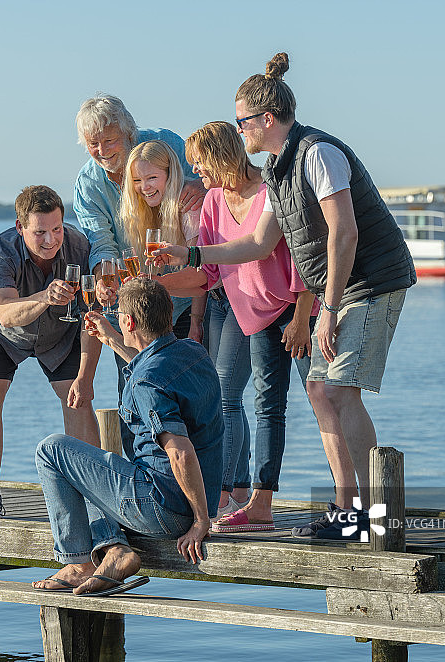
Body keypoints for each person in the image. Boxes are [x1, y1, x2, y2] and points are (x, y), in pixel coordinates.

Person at [156, 53, 415, 540]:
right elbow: (256, 243)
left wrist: (327, 309)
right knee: (320, 390)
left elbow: (344, 235)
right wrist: (188, 252)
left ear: (265, 120)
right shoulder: (276, 167)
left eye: (242, 122)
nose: (240, 131)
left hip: (372, 282)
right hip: (338, 289)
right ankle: (346, 510)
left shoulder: (319, 154)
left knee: (339, 389)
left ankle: (376, 515)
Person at [153, 121, 317, 532]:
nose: (197, 174)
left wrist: (301, 317)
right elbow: (205, 275)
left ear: (220, 157)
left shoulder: (270, 188)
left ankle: (354, 507)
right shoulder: (211, 201)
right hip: (256, 316)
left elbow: (300, 256)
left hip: (296, 310)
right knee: (266, 405)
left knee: (324, 403)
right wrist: (150, 285)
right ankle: (259, 505)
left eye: (201, 165)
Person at [31, 279, 222, 596]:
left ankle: (79, 564)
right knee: (91, 464)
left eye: (119, 314)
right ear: (170, 311)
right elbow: (153, 366)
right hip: (192, 498)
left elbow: (180, 453)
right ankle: (113, 547)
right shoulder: (194, 352)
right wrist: (114, 342)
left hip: (163, 510)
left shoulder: (147, 382)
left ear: (129, 322)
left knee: (51, 450)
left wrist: (201, 522)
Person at [73, 94, 206, 457]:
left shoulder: (168, 144)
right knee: (135, 388)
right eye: (92, 143)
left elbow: (210, 187)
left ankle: (209, 489)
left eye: (109, 140)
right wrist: (103, 276)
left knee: (195, 392)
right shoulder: (88, 185)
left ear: (128, 132)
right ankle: (142, 480)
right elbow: (101, 243)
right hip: (135, 302)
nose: (101, 150)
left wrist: (202, 187)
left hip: (190, 290)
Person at [0, 185, 102, 518]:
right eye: (39, 232)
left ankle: (94, 492)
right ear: (20, 227)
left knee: (78, 397)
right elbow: (6, 313)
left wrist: (85, 377)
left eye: (56, 229)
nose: (50, 240)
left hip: (59, 333)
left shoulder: (79, 246)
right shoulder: (0, 250)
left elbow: (92, 317)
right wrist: (43, 296)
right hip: (1, 332)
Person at [118, 140, 207, 341]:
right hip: (186, 305)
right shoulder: (146, 212)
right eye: (137, 180)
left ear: (169, 174)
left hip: (218, 303)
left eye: (152, 178)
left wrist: (196, 322)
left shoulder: (189, 207)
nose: (144, 187)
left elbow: (203, 274)